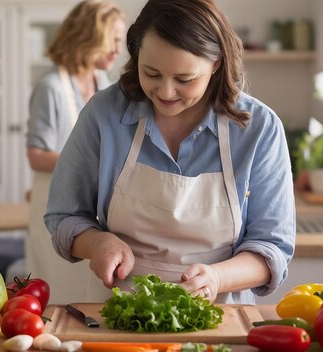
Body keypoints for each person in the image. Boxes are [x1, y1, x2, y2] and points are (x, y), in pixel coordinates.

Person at [45, 0, 296, 304]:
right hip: (117, 315)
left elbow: (272, 246)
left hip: (221, 318)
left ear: (215, 63)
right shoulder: (104, 114)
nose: (165, 92)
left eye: (184, 80)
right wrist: (97, 243)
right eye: (151, 73)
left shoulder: (259, 128)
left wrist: (217, 277)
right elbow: (65, 215)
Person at [25, 0, 126, 304]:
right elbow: (36, 154)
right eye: (113, 39)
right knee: (56, 289)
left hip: (91, 204)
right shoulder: (51, 88)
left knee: (86, 290)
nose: (117, 49)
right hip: (54, 203)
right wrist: (91, 166)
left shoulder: (104, 84)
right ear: (87, 36)